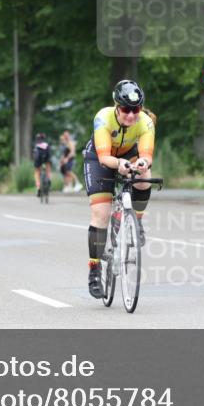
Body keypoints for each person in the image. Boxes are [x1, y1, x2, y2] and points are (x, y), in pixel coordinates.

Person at [82, 80, 155, 299]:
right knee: (101, 214)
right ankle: (94, 269)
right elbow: (105, 158)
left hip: (128, 154)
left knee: (145, 176)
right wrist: (119, 164)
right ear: (116, 106)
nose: (131, 115)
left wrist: (143, 163)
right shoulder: (103, 118)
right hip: (99, 158)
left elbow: (146, 155)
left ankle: (136, 221)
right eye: (126, 109)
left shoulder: (145, 123)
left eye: (136, 109)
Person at [32, 132, 52, 196]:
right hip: (46, 155)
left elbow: (34, 154)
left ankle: (38, 188)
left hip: (38, 157)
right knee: (48, 166)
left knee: (37, 172)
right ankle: (48, 179)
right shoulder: (46, 143)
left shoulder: (36, 144)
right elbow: (50, 152)